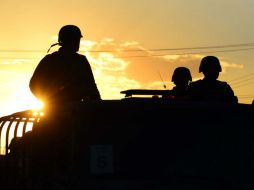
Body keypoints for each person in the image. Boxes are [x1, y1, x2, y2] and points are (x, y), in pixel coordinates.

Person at [29, 25, 101, 105]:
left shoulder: (81, 61)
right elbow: (34, 85)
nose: (77, 43)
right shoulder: (50, 60)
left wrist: (97, 105)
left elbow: (91, 88)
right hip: (56, 113)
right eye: (74, 39)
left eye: (77, 40)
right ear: (66, 40)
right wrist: (49, 102)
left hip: (75, 111)